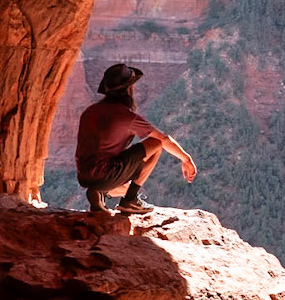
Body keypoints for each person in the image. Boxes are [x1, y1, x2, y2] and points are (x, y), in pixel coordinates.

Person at [74, 63, 197, 215]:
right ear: (128, 89)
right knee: (156, 144)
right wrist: (186, 158)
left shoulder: (89, 111)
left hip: (84, 176)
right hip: (105, 174)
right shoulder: (126, 116)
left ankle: (99, 193)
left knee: (124, 187)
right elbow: (164, 139)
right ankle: (130, 201)